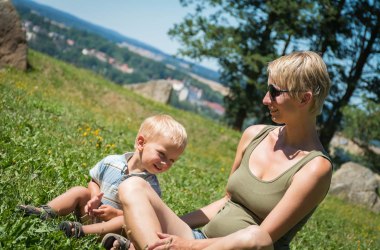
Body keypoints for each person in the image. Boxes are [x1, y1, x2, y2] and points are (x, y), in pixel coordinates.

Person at [103, 51, 333, 250]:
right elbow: (227, 200)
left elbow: (262, 239)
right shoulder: (254, 135)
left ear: (304, 99)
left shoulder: (315, 168)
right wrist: (163, 226)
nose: (265, 99)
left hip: (215, 246)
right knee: (133, 185)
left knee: (255, 234)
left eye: (275, 92)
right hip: (200, 241)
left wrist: (189, 246)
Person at [17, 114, 188, 243]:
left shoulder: (150, 187)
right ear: (141, 143)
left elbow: (145, 218)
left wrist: (117, 213)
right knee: (79, 191)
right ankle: (45, 212)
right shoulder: (111, 161)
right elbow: (94, 181)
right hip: (90, 212)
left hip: (110, 229)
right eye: (162, 154)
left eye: (172, 160)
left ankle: (81, 231)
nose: (166, 163)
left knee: (123, 220)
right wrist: (94, 196)